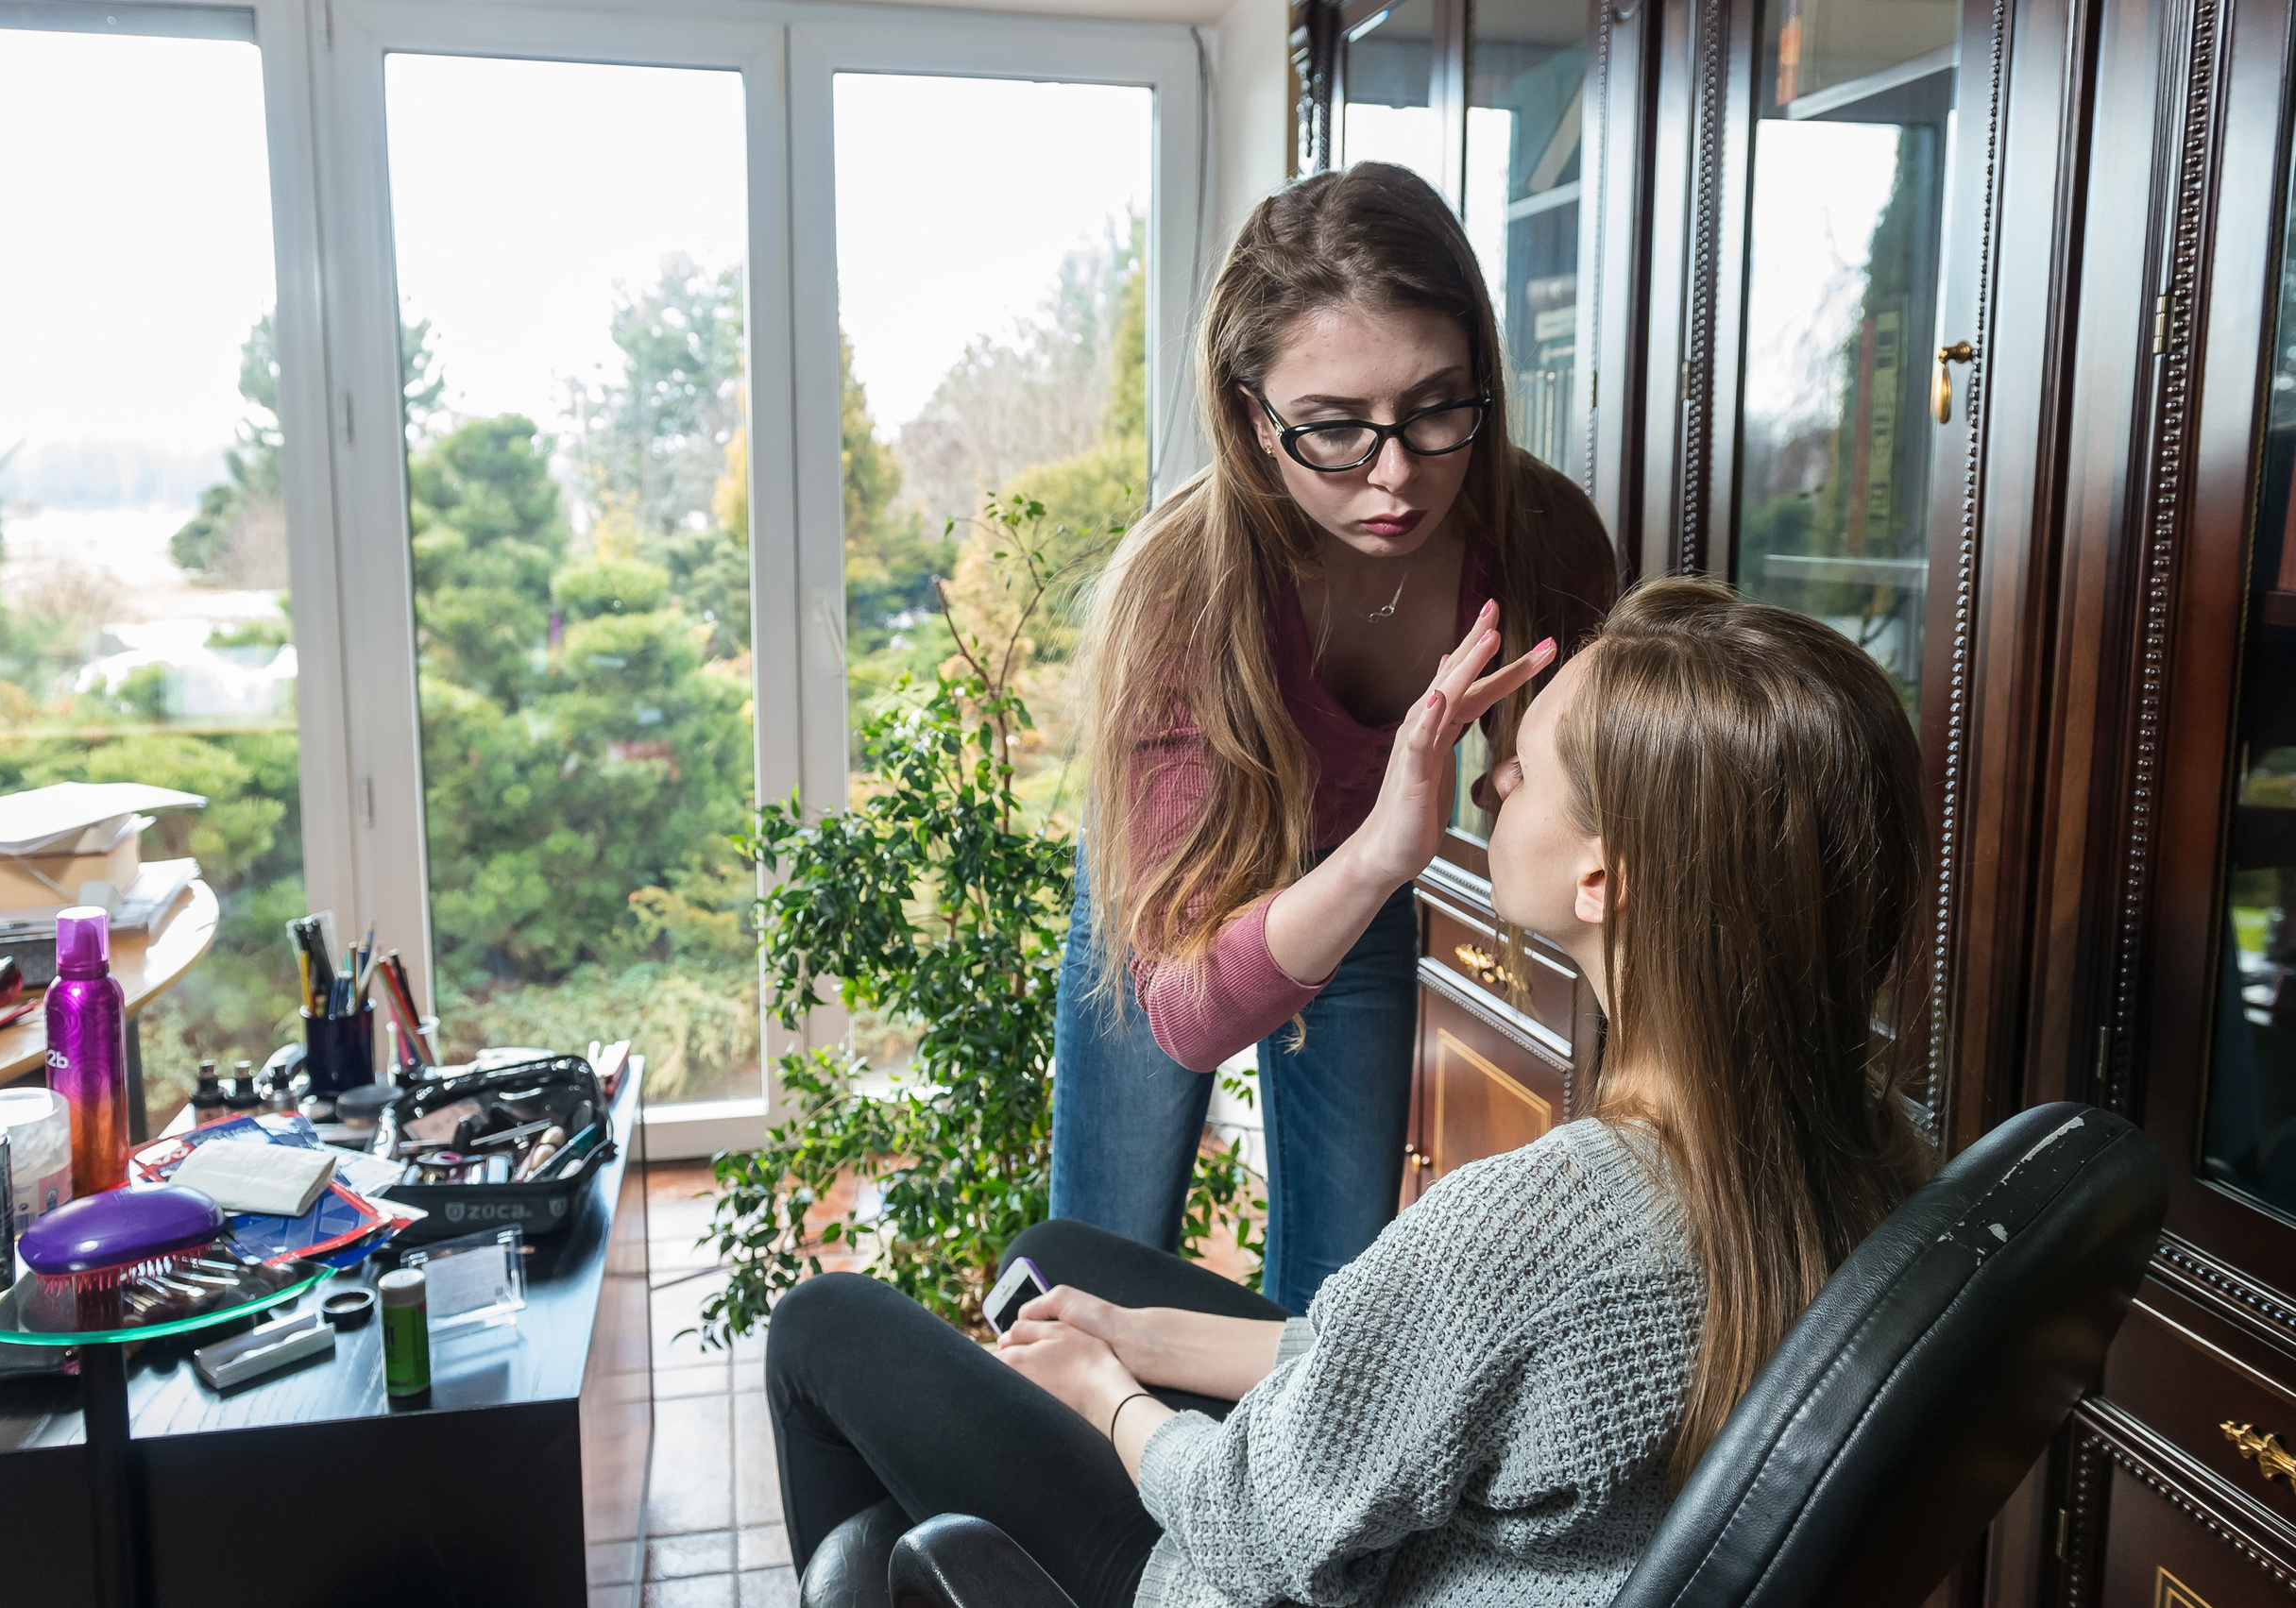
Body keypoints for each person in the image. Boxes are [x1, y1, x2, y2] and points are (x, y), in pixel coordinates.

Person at [766, 578, 1935, 1608]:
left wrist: (1108, 1389)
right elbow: (1417, 1375)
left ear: (1601, 874)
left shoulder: (1537, 1229)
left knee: (820, 1326)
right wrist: (1135, 1332)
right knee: (1065, 1250)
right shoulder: (1879, 1154)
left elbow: (1248, 1525)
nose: (1496, 773)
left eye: (1531, 759)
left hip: (1230, 1574)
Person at [1053, 162, 1614, 1312]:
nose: (1397, 474)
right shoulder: (1181, 597)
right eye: (1332, 431)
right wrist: (1379, 854)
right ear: (1251, 419)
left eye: (1436, 406)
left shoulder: (1542, 533)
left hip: (1359, 889)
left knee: (1339, 1292)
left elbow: (1567, 771)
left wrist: (1521, 775)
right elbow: (1190, 1015)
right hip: (1182, 893)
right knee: (1099, 1266)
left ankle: (1278, 1496)